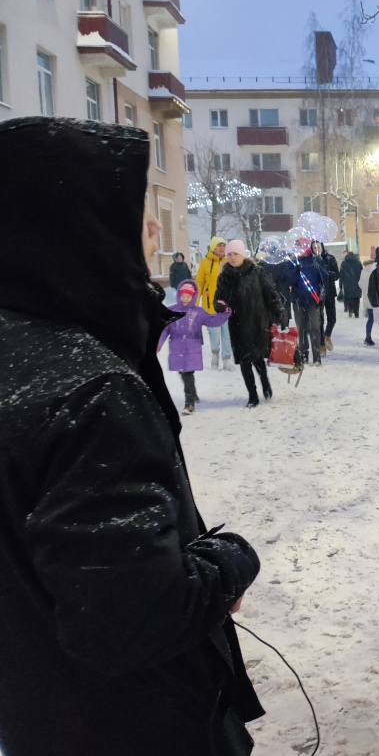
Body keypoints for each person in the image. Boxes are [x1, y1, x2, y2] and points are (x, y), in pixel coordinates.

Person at [0, 116, 263, 755]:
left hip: (37, 713)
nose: (151, 230)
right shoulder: (91, 392)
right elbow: (128, 618)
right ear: (71, 224)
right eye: (131, 208)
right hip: (133, 723)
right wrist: (230, 562)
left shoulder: (19, 349)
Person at [216, 240, 286, 408]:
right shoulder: (224, 277)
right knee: (244, 361)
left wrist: (279, 315)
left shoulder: (257, 272)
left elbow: (271, 295)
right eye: (229, 255)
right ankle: (252, 395)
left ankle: (265, 383)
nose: (232, 258)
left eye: (236, 254)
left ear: (243, 255)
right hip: (237, 324)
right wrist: (218, 304)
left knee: (257, 358)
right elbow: (219, 298)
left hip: (258, 322)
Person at [158, 279, 231, 414]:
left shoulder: (198, 312)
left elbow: (212, 321)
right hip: (176, 346)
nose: (185, 299)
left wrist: (224, 312)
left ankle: (189, 403)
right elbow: (164, 329)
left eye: (188, 296)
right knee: (182, 373)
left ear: (193, 297)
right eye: (183, 295)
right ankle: (194, 395)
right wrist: (158, 344)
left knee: (187, 374)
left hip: (192, 347)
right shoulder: (171, 310)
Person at [195, 236, 234, 371]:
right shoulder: (205, 263)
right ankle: (215, 354)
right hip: (210, 306)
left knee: (227, 333)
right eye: (219, 245)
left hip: (227, 305)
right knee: (214, 333)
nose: (222, 248)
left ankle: (227, 358)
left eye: (224, 245)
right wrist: (195, 300)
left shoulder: (229, 262)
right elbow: (199, 282)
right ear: (212, 247)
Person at [288, 239, 325, 367]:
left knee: (315, 327)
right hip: (298, 301)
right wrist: (295, 271)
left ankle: (317, 357)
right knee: (302, 328)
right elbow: (290, 282)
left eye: (303, 246)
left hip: (313, 300)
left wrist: (321, 295)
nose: (301, 249)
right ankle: (303, 354)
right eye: (299, 247)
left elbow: (323, 280)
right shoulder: (293, 262)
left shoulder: (316, 261)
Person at [316, 242, 339, 352]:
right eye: (314, 247)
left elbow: (337, 275)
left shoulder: (330, 258)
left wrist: (327, 274)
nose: (317, 249)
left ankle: (327, 335)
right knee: (320, 320)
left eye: (319, 247)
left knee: (332, 318)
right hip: (318, 294)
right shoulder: (312, 260)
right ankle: (321, 344)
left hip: (329, 292)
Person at [359, 257, 379, 346]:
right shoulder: (375, 270)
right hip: (375, 298)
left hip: (367, 298)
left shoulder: (363, 271)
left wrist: (366, 289)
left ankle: (368, 336)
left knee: (371, 319)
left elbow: (360, 284)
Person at [340, 249, 363, 318]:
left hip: (347, 283)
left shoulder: (344, 263)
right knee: (356, 298)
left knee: (349, 297)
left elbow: (341, 275)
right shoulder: (358, 263)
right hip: (357, 282)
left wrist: (340, 284)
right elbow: (361, 273)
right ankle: (356, 312)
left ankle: (350, 310)